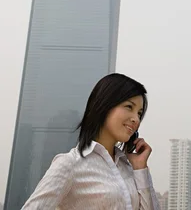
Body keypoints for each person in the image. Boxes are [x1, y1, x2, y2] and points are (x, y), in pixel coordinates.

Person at [22, 73, 160, 210]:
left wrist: (140, 168)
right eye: (129, 107)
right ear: (105, 105)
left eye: (139, 113)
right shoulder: (70, 164)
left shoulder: (130, 168)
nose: (136, 119)